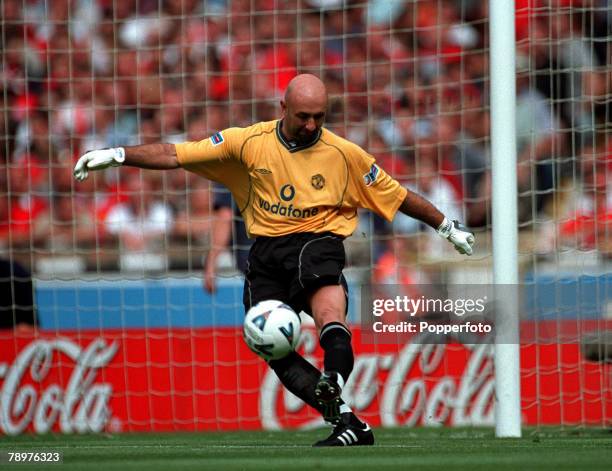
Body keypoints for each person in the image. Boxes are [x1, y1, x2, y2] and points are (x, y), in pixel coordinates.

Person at [73, 74, 475, 447]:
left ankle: (333, 376)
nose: (312, 125)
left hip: (317, 243)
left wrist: (446, 227)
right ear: (283, 106)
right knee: (271, 347)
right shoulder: (247, 142)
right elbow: (175, 154)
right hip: (264, 253)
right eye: (303, 116)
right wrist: (119, 154)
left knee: (329, 314)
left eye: (319, 117)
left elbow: (399, 196)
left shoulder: (345, 155)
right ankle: (348, 422)